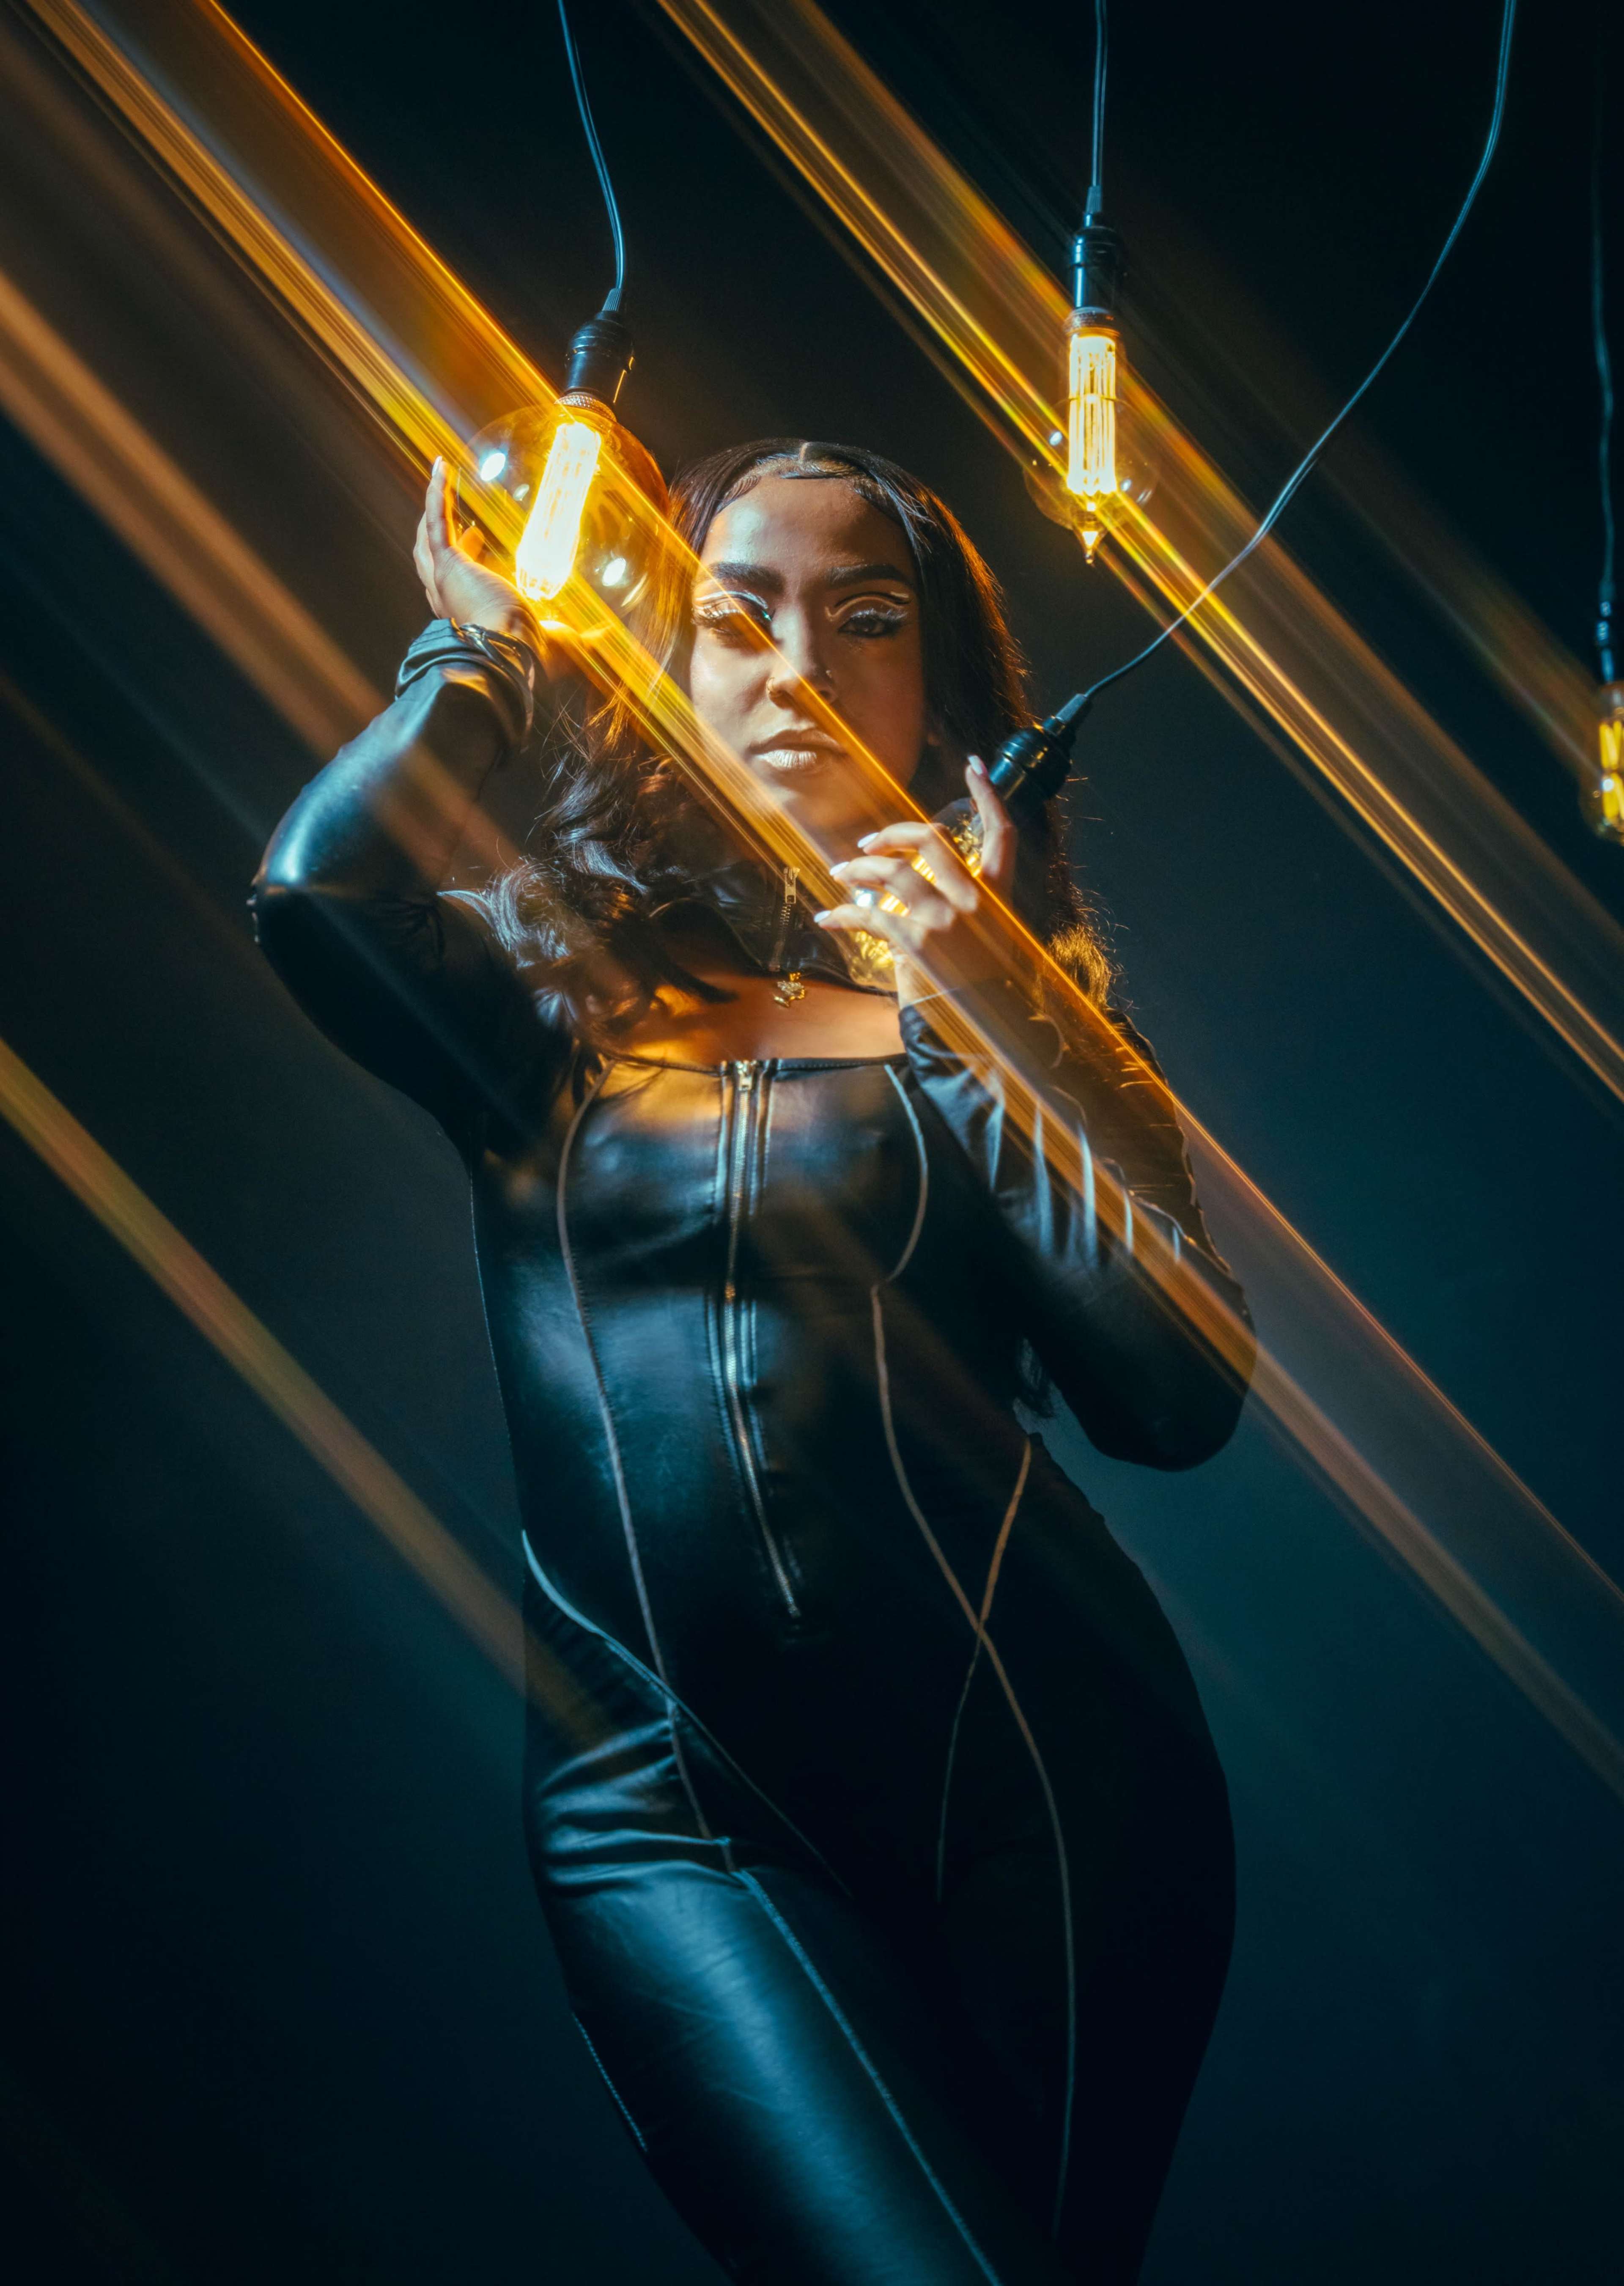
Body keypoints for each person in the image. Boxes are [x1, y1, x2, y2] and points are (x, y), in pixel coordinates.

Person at [252, 437, 1253, 2286]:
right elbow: (315, 900)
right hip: (673, 1810)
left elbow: (1173, 1398)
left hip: (1051, 1788)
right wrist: (479, 655)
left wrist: (990, 1004)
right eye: (739, 613)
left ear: (937, 688)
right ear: (671, 667)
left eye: (866, 617)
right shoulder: (553, 985)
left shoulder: (1013, 993)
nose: (798, 659)